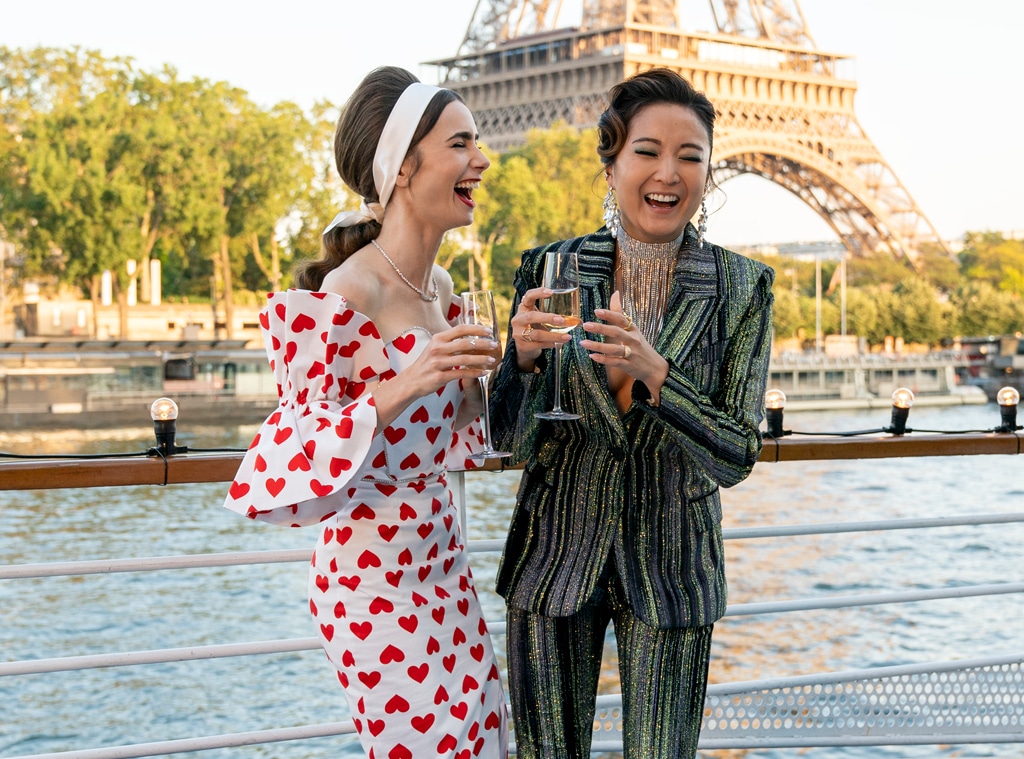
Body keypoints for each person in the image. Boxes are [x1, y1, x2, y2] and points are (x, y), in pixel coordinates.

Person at [488, 67, 775, 758]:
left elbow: (736, 452)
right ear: (611, 162)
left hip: (673, 568)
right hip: (554, 558)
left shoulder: (741, 287)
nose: (668, 172)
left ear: (709, 171)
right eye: (647, 151)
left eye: (690, 155)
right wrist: (522, 366)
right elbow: (506, 437)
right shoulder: (548, 269)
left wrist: (657, 374)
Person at [223, 66, 508, 759]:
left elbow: (450, 427)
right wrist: (406, 382)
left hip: (442, 559)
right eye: (461, 143)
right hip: (369, 578)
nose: (482, 159)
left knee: (485, 740)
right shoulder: (342, 293)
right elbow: (295, 442)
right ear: (405, 166)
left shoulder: (439, 287)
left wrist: (511, 362)